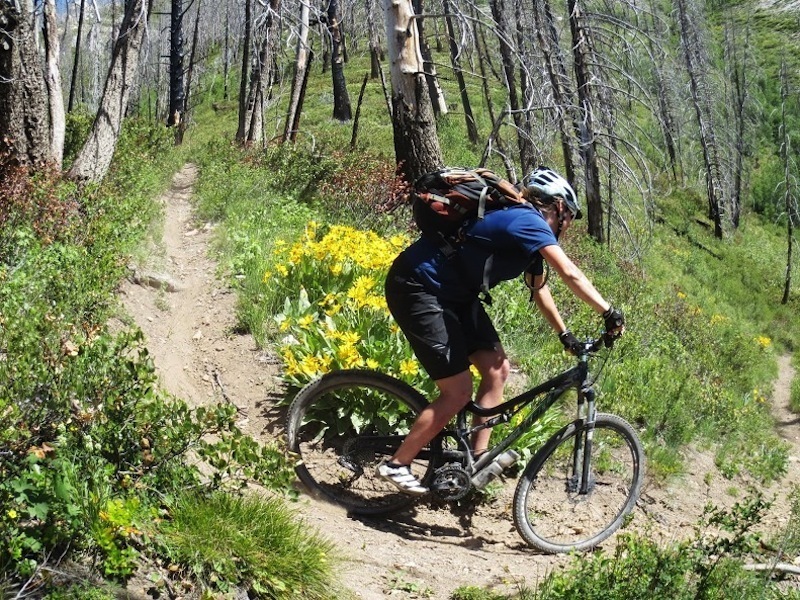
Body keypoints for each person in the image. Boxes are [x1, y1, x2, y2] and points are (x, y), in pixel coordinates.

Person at [377, 166, 625, 495]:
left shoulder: (527, 232)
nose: (568, 226)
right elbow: (569, 273)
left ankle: (474, 464)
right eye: (570, 217)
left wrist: (565, 335)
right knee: (458, 391)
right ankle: (398, 464)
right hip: (419, 286)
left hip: (454, 295)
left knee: (497, 369)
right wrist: (609, 312)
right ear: (560, 208)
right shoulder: (528, 221)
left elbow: (540, 289)